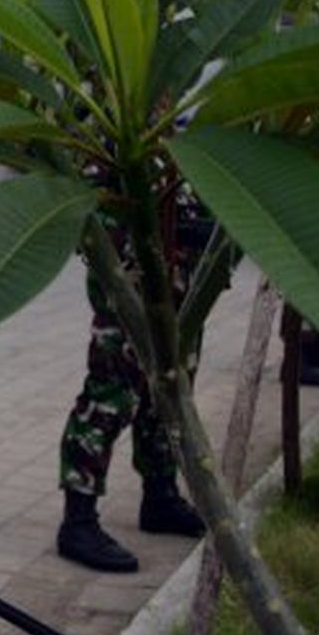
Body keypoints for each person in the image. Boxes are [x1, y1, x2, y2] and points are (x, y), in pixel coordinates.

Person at [57, 217, 207, 571]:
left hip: (181, 279)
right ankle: (77, 521)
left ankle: (160, 497)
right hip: (129, 274)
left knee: (168, 393)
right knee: (111, 396)